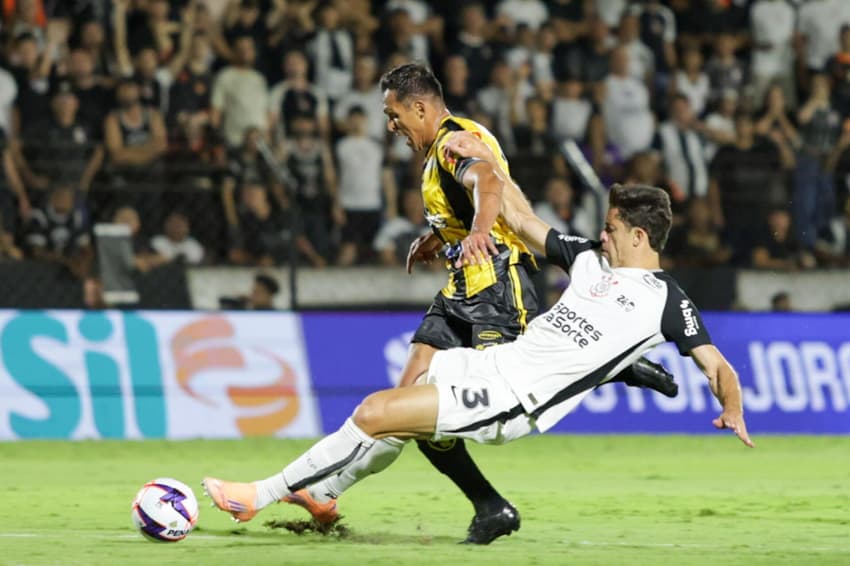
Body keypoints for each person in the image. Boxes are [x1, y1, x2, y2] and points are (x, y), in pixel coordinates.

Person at [212, 62, 676, 545]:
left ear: (419, 107)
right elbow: (467, 200)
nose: (391, 127)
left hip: (497, 286)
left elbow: (489, 185)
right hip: (460, 290)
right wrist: (440, 237)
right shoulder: (442, 147)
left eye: (394, 116)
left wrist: (476, 234)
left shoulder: (455, 143)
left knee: (454, 401)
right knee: (403, 403)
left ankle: (616, 368)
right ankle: (340, 493)